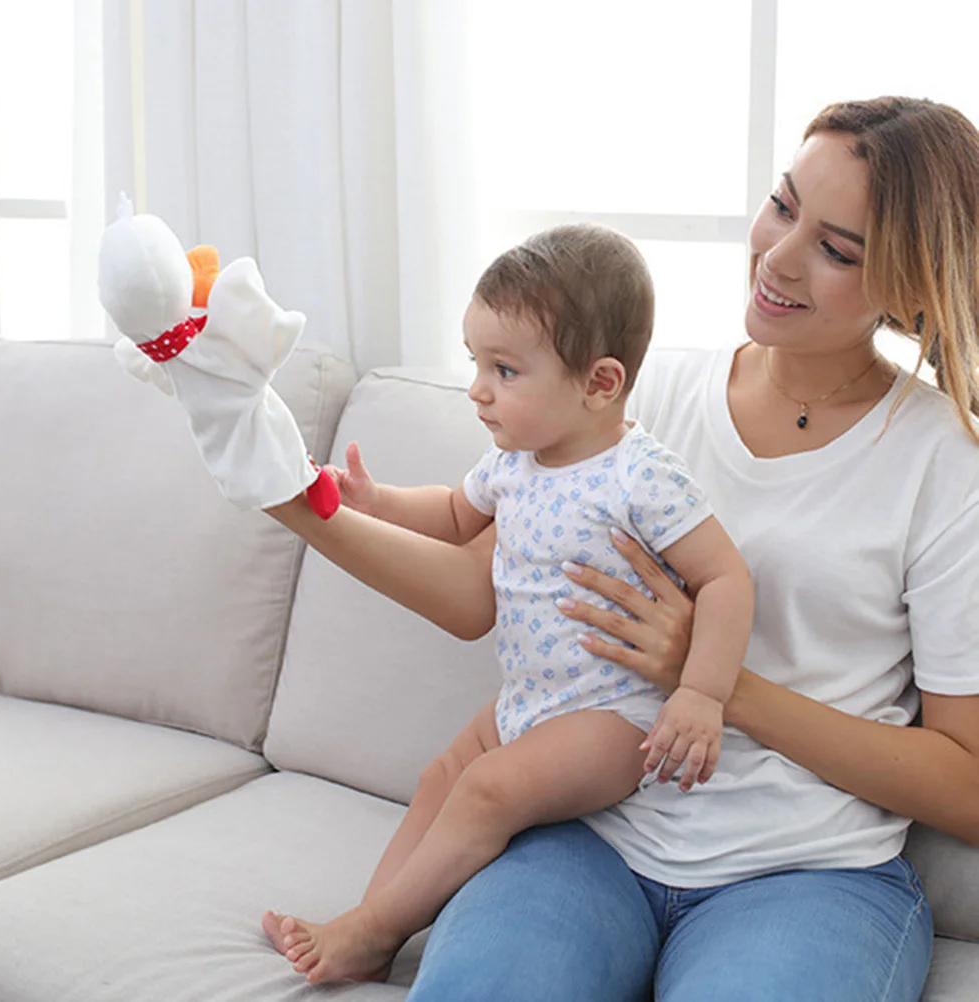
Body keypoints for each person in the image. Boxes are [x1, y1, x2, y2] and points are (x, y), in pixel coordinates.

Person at [260, 95, 979, 1001]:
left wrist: (716, 684)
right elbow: (475, 588)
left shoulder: (945, 464)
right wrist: (293, 500)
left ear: (910, 288)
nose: (778, 256)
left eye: (837, 250)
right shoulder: (642, 395)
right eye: (783, 205)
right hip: (588, 837)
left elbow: (967, 786)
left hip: (806, 876)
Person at [262, 224, 753, 984]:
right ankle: (370, 926)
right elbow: (455, 516)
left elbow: (726, 579)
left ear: (600, 383)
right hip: (529, 701)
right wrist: (377, 501)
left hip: (615, 716)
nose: (478, 389)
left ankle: (376, 928)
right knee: (442, 778)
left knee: (487, 790)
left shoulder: (642, 477)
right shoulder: (515, 461)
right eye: (475, 363)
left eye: (504, 370)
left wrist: (701, 694)